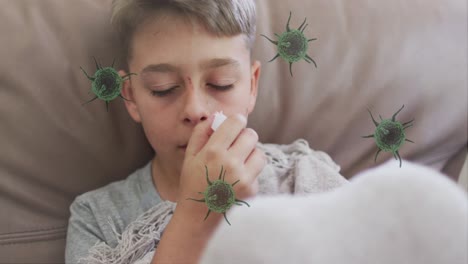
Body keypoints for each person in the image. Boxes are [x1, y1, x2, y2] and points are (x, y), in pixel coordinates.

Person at [65, 1, 347, 263]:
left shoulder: (301, 177)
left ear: (252, 86)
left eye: (220, 84)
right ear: (131, 98)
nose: (195, 109)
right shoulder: (98, 218)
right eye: (163, 89)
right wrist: (195, 218)